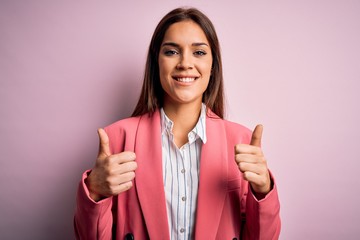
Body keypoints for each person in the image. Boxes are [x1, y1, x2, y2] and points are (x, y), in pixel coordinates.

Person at [74, 7, 281, 240]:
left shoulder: (241, 141)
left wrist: (263, 191)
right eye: (172, 52)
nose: (185, 63)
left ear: (213, 66)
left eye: (199, 53)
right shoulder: (117, 138)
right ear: (156, 63)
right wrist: (94, 192)